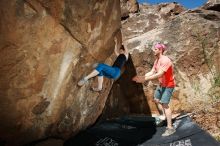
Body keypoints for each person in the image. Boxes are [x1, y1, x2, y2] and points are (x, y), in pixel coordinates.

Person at [132, 43, 176, 136]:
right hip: (161, 84)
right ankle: (164, 117)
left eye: (155, 49)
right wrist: (141, 76)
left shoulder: (165, 60)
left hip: (168, 85)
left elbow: (160, 74)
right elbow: (152, 71)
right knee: (156, 99)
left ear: (160, 50)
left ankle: (170, 127)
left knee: (165, 104)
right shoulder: (157, 60)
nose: (153, 50)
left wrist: (144, 79)